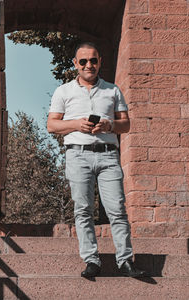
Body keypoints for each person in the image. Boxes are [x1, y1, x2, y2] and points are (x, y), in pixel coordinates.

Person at [47, 42, 145, 278]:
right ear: (75, 64)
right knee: (83, 210)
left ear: (100, 61)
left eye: (93, 60)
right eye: (83, 61)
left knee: (117, 210)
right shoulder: (63, 91)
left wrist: (109, 124)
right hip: (77, 155)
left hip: (108, 155)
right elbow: (51, 124)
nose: (88, 65)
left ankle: (125, 261)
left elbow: (126, 124)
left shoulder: (113, 90)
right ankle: (92, 261)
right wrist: (76, 123)